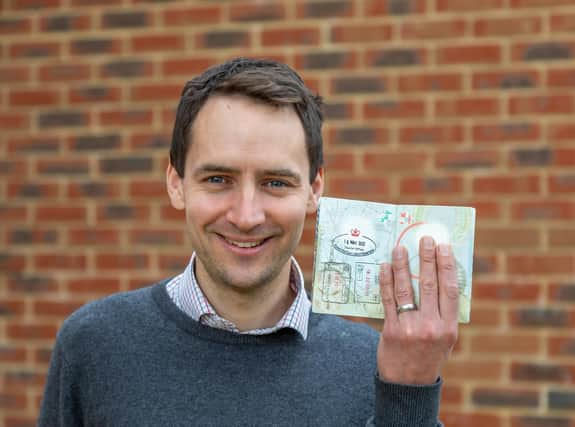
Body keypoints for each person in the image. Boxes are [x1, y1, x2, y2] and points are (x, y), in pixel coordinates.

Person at [38, 57, 459, 426]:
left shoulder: (378, 365)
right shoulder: (93, 344)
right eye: (218, 179)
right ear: (176, 183)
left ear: (314, 190)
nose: (246, 215)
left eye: (275, 182)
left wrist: (409, 396)